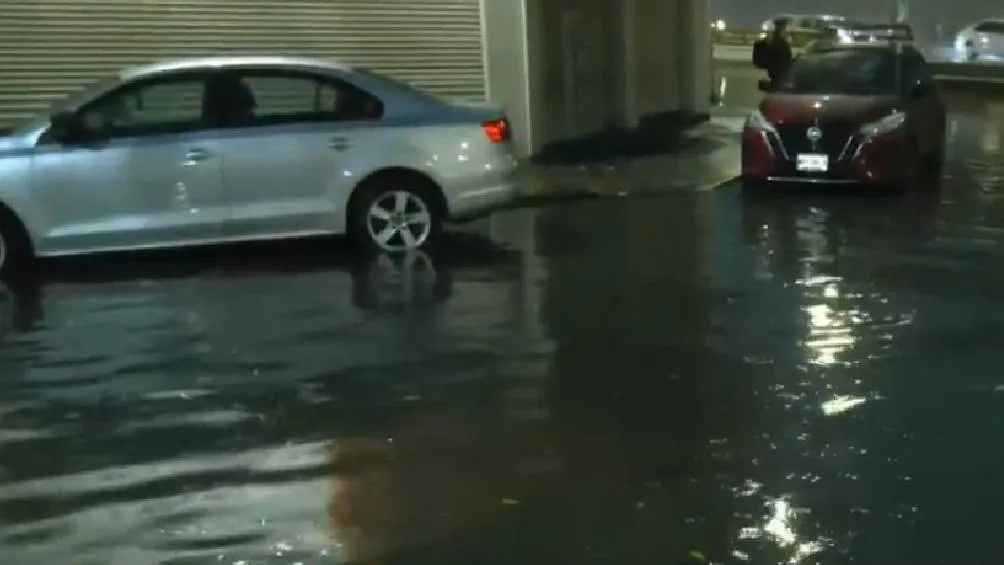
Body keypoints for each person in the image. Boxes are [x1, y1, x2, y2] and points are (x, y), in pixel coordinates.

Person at [752, 18, 793, 84]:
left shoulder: (776, 37)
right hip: (780, 71)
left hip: (778, 71)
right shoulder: (779, 39)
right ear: (782, 27)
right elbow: (781, 54)